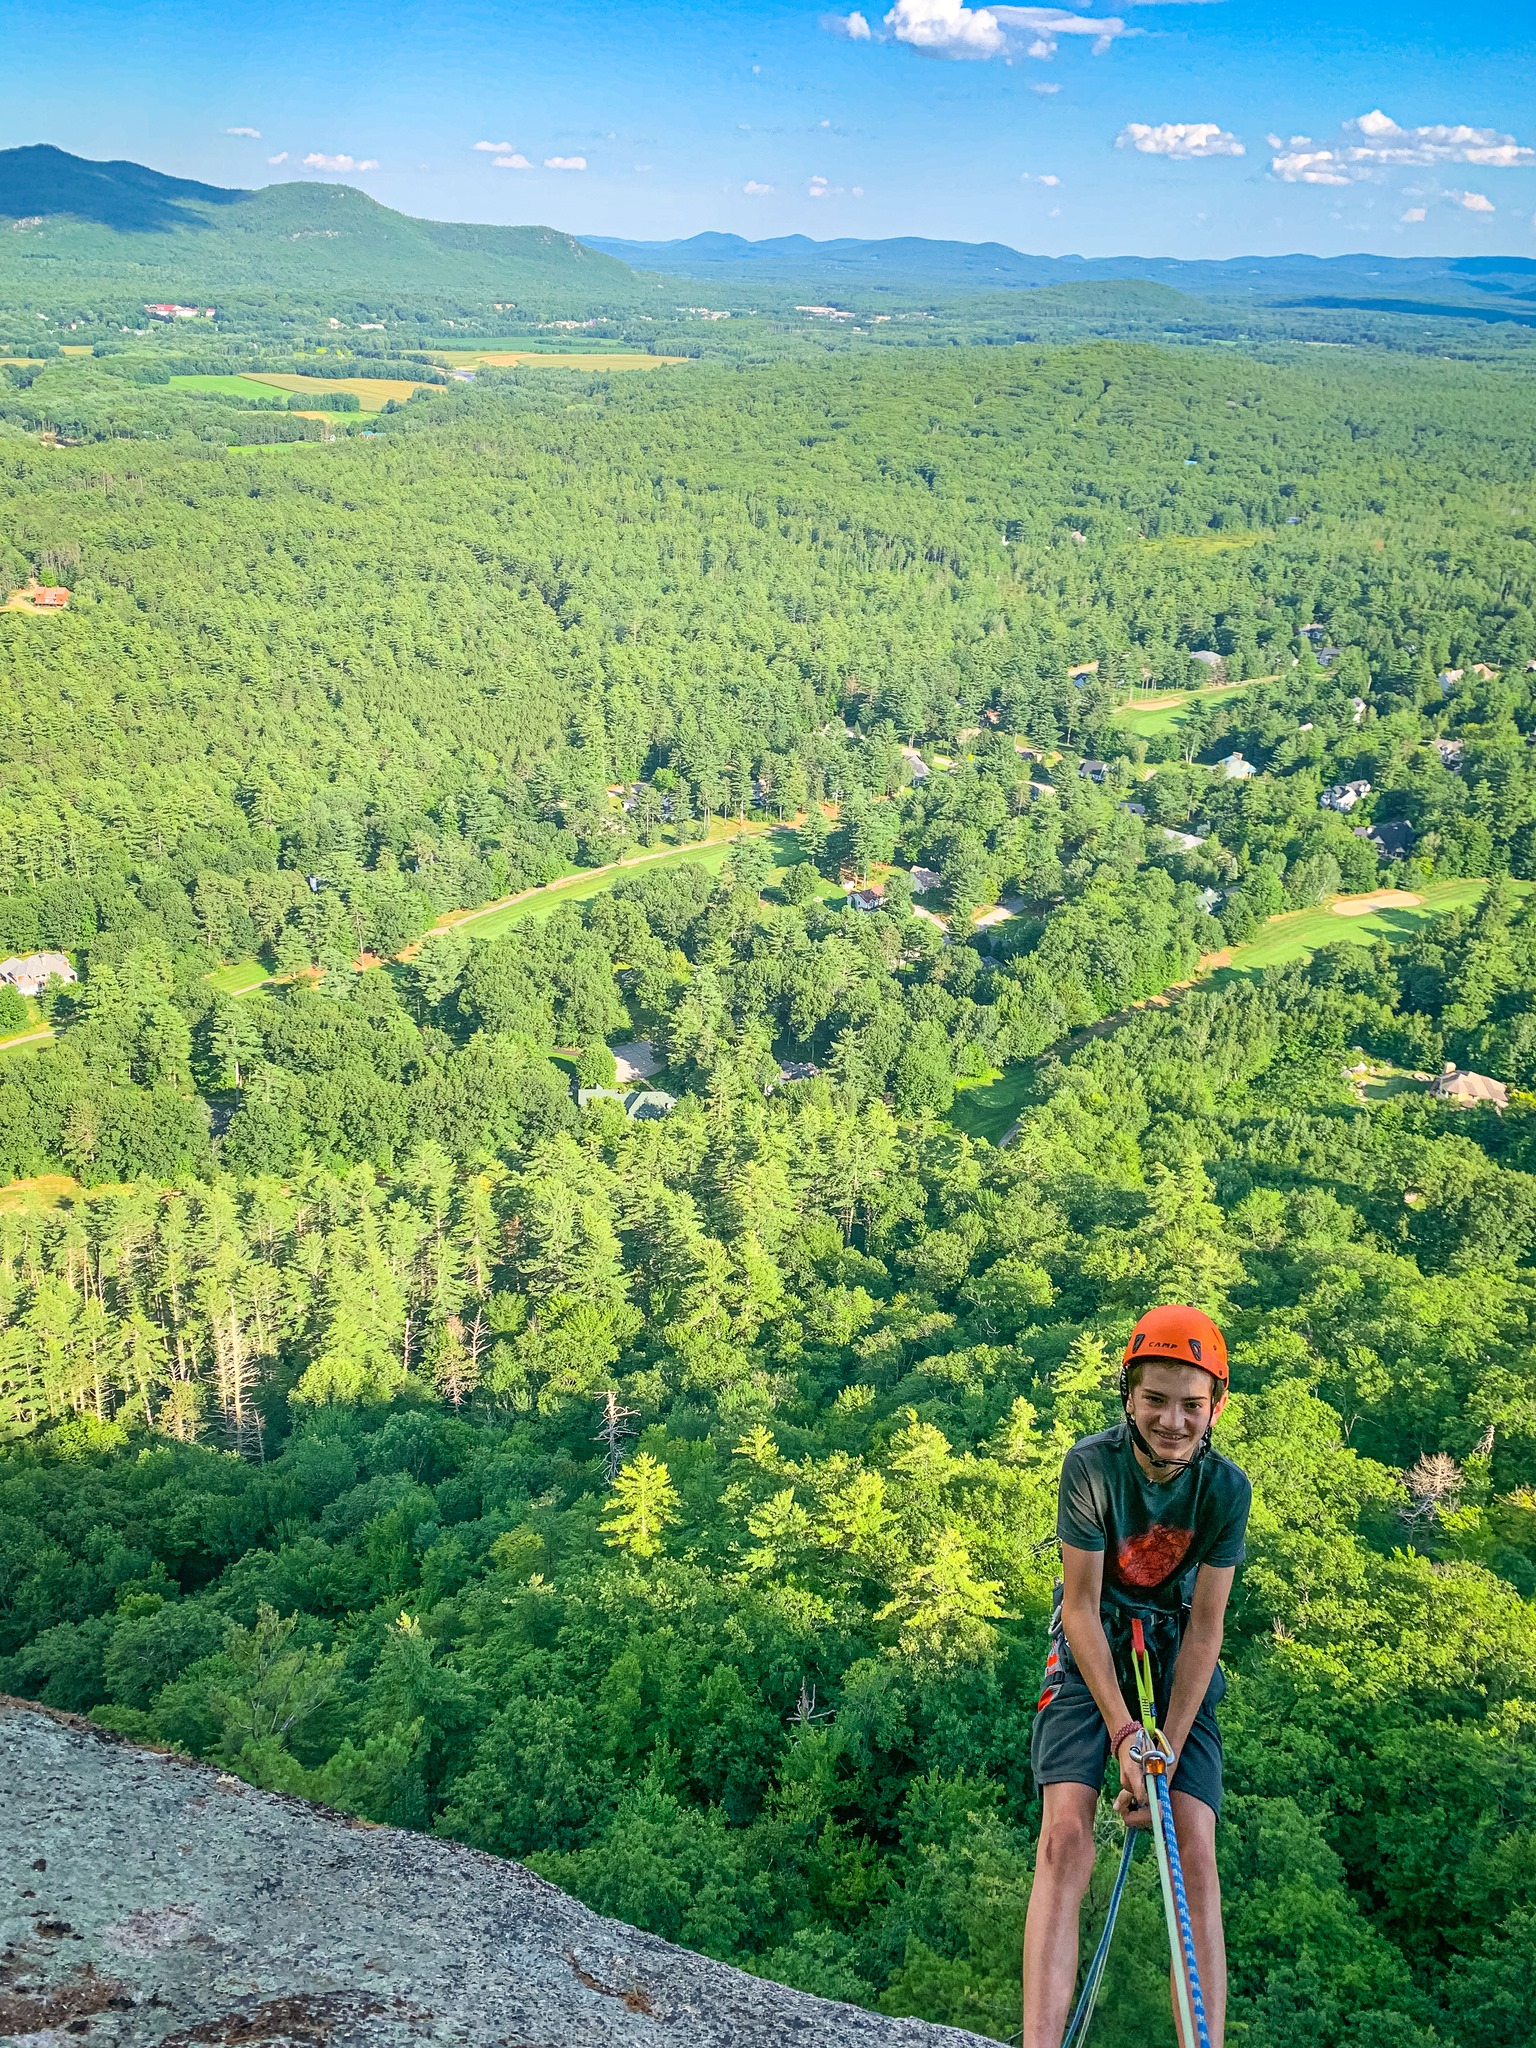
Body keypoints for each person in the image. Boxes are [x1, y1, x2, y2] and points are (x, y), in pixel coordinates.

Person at [1020, 1304, 1251, 2048]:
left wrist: (1168, 1744)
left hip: (1178, 1647)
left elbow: (1209, 1624)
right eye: (1155, 1399)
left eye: (1191, 1405)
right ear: (1128, 1396)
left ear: (1216, 1407)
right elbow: (1081, 1608)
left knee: (1194, 1845)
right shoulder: (1092, 1467)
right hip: (1094, 1645)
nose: (1173, 1421)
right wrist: (1123, 1732)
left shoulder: (1224, 1490)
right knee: (1065, 1837)